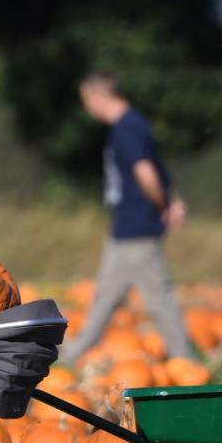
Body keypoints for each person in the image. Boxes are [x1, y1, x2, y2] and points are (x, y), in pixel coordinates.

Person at [60, 72, 194, 365]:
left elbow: (146, 172)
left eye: (86, 101)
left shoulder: (127, 128)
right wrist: (172, 199)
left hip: (138, 228)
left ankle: (187, 363)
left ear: (98, 96)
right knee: (106, 296)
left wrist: (164, 206)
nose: (87, 108)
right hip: (123, 229)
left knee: (158, 297)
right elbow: (158, 170)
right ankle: (72, 355)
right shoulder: (133, 124)